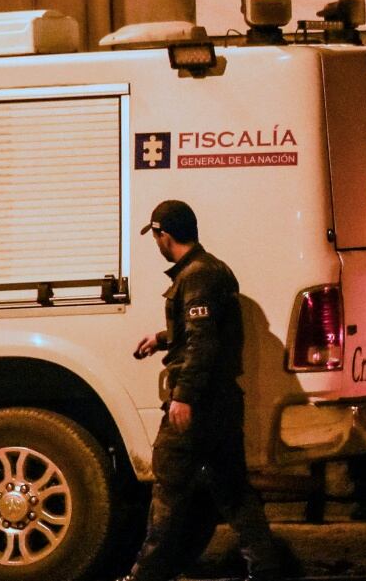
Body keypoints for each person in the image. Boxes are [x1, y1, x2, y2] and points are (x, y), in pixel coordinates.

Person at [118, 200, 281, 581]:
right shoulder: (211, 269)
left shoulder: (196, 276)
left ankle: (145, 575)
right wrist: (161, 338)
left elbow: (203, 342)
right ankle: (267, 567)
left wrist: (184, 396)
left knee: (168, 490)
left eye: (156, 236)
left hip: (202, 403)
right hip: (222, 402)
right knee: (233, 491)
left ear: (164, 235)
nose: (156, 244)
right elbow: (207, 330)